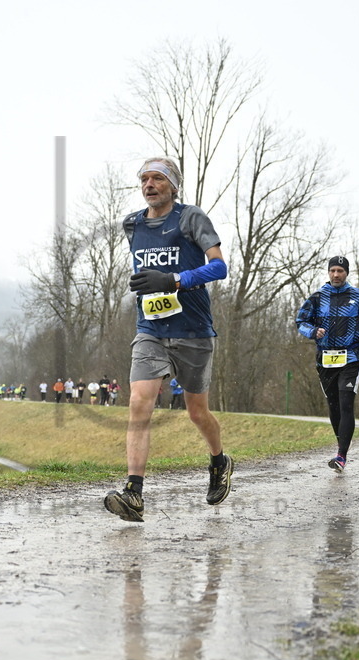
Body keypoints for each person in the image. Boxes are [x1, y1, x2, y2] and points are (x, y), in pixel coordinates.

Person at [103, 156, 232, 523]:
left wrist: (173, 280)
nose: (149, 185)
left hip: (193, 331)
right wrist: (145, 285)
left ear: (172, 185)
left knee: (196, 412)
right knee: (139, 402)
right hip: (151, 330)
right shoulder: (133, 224)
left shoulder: (191, 218)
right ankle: (133, 493)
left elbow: (219, 267)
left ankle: (219, 461)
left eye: (157, 178)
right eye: (144, 179)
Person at [295, 255, 359, 473]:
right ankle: (340, 443)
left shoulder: (358, 296)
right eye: (332, 270)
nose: (336, 274)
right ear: (328, 272)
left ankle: (341, 455)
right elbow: (300, 321)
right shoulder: (317, 297)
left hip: (351, 357)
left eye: (340, 271)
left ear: (347, 273)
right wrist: (313, 331)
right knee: (333, 406)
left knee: (346, 402)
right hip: (325, 358)